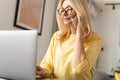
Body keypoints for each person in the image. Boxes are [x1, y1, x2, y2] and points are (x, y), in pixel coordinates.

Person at [36, 0, 103, 80]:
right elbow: (47, 64)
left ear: (81, 12)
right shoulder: (57, 36)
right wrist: (45, 71)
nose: (64, 13)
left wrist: (79, 34)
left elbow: (78, 70)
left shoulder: (95, 39)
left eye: (68, 9)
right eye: (62, 10)